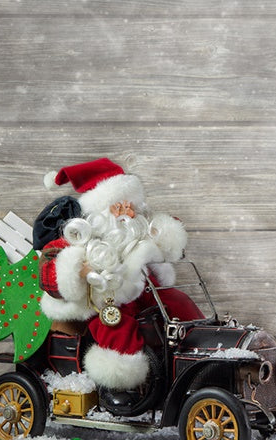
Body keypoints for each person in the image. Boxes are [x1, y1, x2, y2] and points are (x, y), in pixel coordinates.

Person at [38, 158, 202, 413]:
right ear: (99, 213)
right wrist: (77, 270)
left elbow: (167, 237)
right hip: (101, 299)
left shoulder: (138, 231)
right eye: (118, 207)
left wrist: (162, 233)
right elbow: (51, 266)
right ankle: (120, 385)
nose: (126, 213)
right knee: (115, 325)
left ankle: (198, 349)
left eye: (131, 207)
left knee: (177, 301)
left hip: (146, 291)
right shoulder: (80, 238)